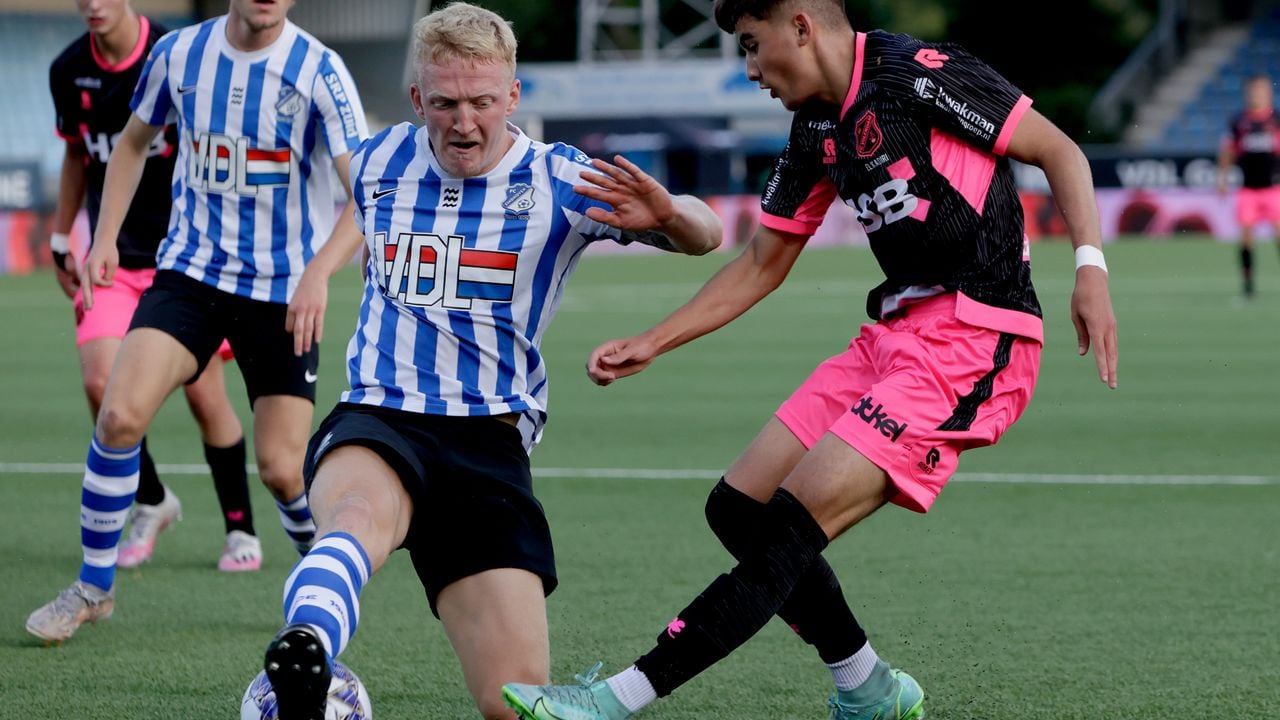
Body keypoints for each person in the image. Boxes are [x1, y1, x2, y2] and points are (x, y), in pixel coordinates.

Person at [501, 1, 1118, 718]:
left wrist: (1091, 270)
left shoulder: (922, 75)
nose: (752, 69)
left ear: (801, 24)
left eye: (754, 46)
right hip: (895, 334)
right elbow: (763, 261)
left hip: (976, 339)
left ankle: (616, 698)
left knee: (790, 527)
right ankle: (868, 687)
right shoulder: (813, 132)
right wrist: (655, 339)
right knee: (738, 508)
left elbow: (1059, 150)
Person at [252, 4, 722, 719]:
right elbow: (353, 208)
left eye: (480, 102)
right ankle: (306, 657)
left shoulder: (561, 180)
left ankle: (311, 660)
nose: (463, 122)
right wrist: (317, 271)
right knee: (354, 516)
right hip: (383, 411)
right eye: (443, 103)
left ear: (512, 97)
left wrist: (670, 213)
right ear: (418, 100)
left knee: (516, 702)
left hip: (490, 441)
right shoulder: (379, 160)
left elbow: (707, 237)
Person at [26, 0, 367, 643]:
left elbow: (366, 192)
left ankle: (319, 584)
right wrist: (102, 237)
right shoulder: (180, 54)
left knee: (281, 469)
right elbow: (129, 145)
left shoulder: (320, 71)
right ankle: (93, 587)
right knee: (119, 414)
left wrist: (319, 272)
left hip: (281, 292)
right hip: (190, 276)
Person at [46, 0, 266, 578]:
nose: (92, 5)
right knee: (101, 383)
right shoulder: (68, 70)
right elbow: (76, 155)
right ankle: (152, 500)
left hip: (186, 262)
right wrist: (62, 233)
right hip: (111, 257)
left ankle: (240, 526)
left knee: (205, 397)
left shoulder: (179, 54)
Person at [1217, 73, 1280, 300]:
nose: (1257, 94)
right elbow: (1228, 151)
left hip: (1274, 189)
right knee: (1245, 238)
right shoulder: (1239, 122)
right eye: (1254, 90)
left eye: (1262, 90)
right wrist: (1222, 178)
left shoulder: (1276, 120)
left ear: (1269, 93)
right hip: (1248, 189)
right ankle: (1248, 285)